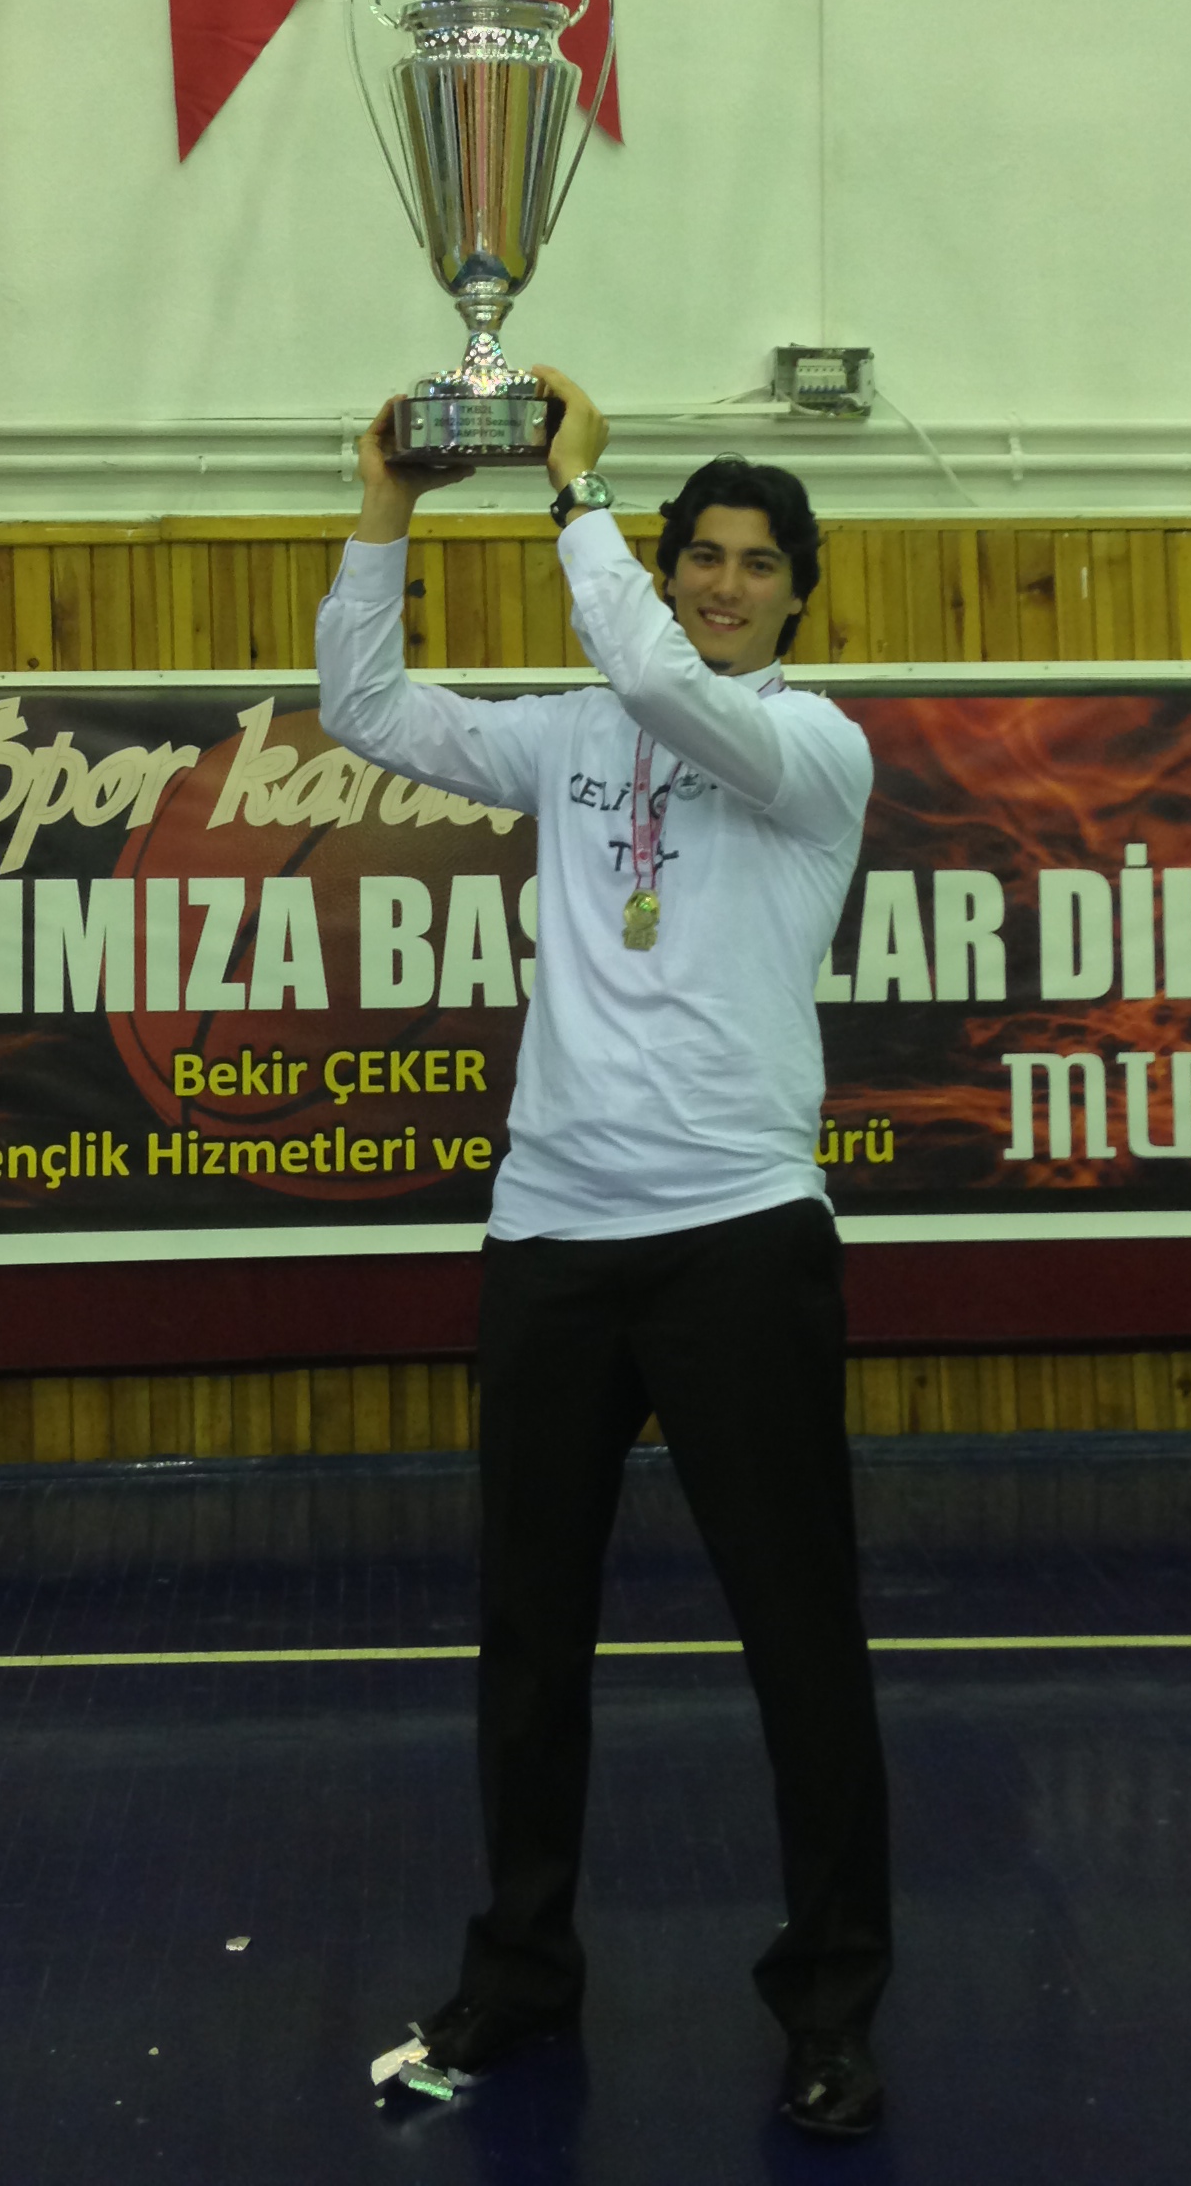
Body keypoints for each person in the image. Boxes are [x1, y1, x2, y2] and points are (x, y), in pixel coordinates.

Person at [315, 367, 890, 2146]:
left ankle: (831, 2006)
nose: (722, 583)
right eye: (699, 553)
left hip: (739, 1236)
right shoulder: (572, 736)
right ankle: (519, 1973)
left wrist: (572, 499)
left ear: (796, 595)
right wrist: (386, 503)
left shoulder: (814, 749)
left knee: (800, 1638)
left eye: (754, 563)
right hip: (554, 1236)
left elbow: (654, 678)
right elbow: (363, 704)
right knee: (529, 1634)